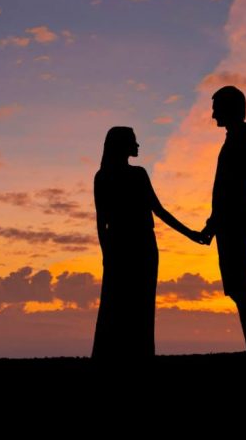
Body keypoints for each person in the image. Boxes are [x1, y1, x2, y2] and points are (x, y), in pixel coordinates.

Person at [92, 126, 204, 359]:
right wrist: (190, 234)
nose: (138, 145)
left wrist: (107, 254)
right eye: (134, 141)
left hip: (129, 246)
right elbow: (157, 212)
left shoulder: (108, 176)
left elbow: (102, 223)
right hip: (136, 246)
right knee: (132, 305)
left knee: (129, 304)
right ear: (122, 145)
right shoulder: (131, 175)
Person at [201, 86, 246, 354]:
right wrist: (214, 223)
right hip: (231, 220)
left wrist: (215, 223)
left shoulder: (241, 141)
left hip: (237, 221)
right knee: (239, 289)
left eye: (216, 108)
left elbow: (233, 189)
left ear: (230, 109)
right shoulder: (236, 139)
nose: (213, 115)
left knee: (241, 288)